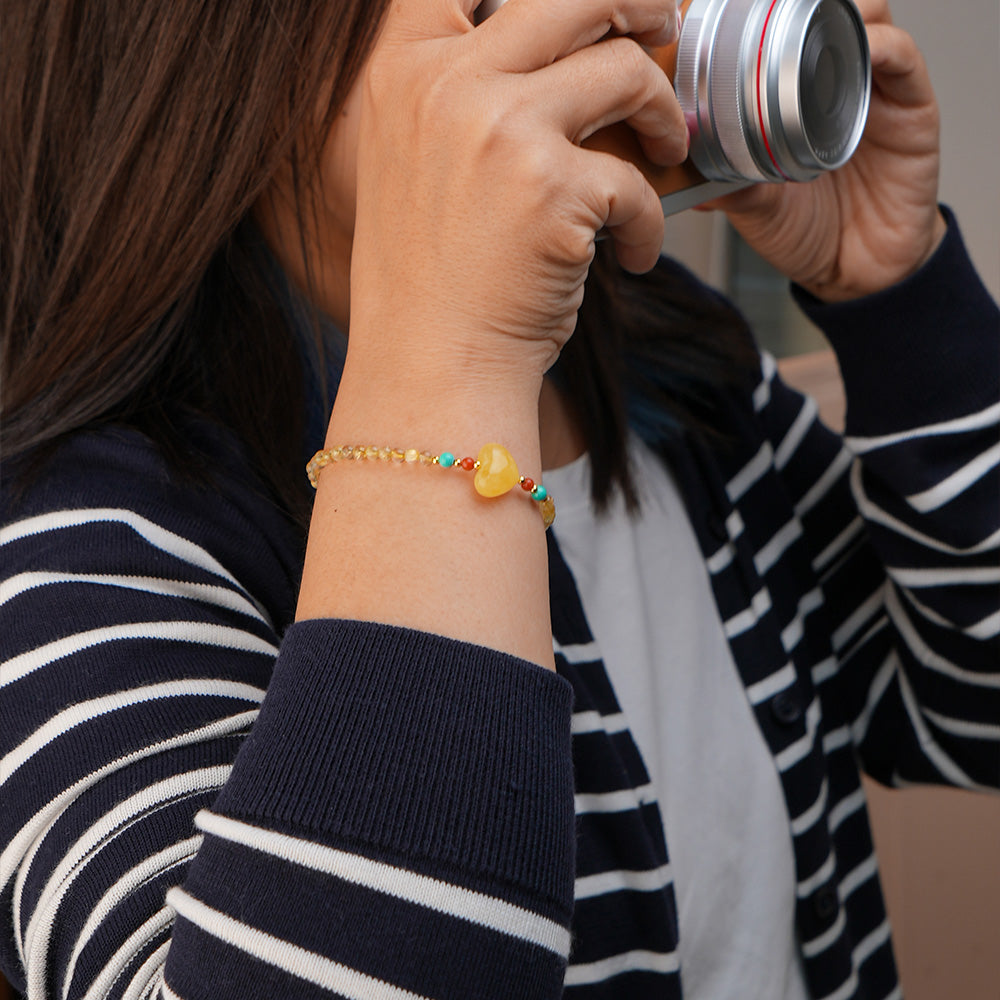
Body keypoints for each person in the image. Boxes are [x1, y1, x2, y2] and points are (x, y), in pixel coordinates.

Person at [2, 0, 997, 997]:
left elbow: (971, 714)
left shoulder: (671, 359)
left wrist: (894, 293)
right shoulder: (85, 540)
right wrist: (451, 362)